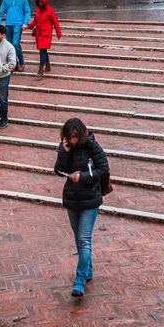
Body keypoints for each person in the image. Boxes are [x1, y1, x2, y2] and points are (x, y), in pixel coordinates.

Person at [54, 116, 109, 298]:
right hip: (72, 198)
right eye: (69, 137)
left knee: (84, 239)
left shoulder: (92, 146)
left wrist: (83, 176)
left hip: (90, 198)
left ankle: (80, 281)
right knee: (79, 239)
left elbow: (103, 168)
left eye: (75, 137)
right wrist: (64, 151)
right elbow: (58, 169)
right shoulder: (66, 147)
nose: (73, 140)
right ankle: (88, 270)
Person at [0, 0, 31, 72]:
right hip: (8, 24)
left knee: (16, 43)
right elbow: (1, 12)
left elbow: (27, 12)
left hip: (18, 24)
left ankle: (22, 62)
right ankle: (14, 64)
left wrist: (25, 23)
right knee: (10, 45)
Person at [27, 0, 62, 76]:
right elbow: (35, 21)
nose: (40, 3)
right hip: (39, 34)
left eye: (42, 2)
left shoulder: (50, 11)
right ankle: (48, 65)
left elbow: (55, 22)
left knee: (42, 50)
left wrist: (58, 33)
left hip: (46, 34)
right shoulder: (38, 11)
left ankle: (40, 69)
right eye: (39, 2)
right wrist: (27, 27)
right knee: (43, 50)